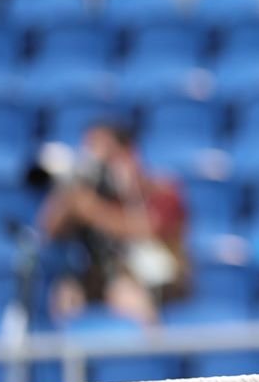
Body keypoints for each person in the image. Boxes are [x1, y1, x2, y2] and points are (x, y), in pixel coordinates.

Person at [37, 122, 188, 324]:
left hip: (158, 280)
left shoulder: (162, 188)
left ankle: (152, 351)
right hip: (101, 278)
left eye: (107, 154)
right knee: (65, 294)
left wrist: (92, 209)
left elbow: (147, 229)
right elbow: (48, 232)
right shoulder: (94, 193)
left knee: (126, 295)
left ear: (129, 153)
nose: (100, 162)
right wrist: (66, 193)